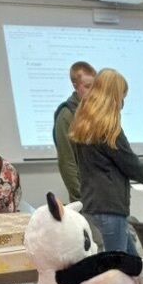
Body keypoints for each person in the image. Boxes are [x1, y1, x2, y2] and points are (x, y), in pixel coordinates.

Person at [68, 67, 143, 254]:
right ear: (113, 96)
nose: (122, 103)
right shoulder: (107, 128)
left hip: (94, 202)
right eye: (122, 96)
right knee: (118, 269)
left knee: (132, 262)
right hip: (109, 206)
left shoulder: (84, 122)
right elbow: (132, 165)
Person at [53, 61, 97, 202]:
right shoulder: (66, 115)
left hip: (101, 194)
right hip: (85, 198)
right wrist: (81, 197)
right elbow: (67, 162)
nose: (93, 92)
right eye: (88, 87)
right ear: (75, 86)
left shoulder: (93, 112)